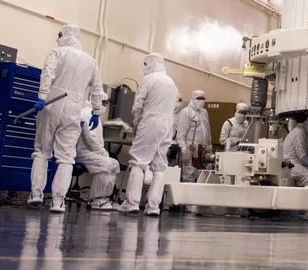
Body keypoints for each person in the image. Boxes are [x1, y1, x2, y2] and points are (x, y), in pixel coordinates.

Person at [30, 24, 104, 213]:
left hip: (51, 104)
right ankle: (58, 202)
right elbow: (97, 88)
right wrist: (96, 111)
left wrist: (41, 96)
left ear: (63, 35)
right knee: (66, 157)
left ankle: (36, 194)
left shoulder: (57, 52)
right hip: (74, 109)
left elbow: (47, 74)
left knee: (42, 151)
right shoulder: (91, 61)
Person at [118, 53, 179, 217]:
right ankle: (153, 206)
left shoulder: (149, 79)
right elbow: (174, 107)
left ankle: (132, 203)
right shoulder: (171, 82)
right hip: (167, 124)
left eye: (145, 64)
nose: (144, 67)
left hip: (150, 121)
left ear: (150, 63)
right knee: (159, 165)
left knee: (138, 162)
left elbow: (138, 105)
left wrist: (136, 124)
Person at [75, 93, 120, 210]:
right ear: (95, 100)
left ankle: (105, 198)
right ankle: (96, 199)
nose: (104, 106)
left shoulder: (95, 115)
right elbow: (89, 139)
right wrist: (102, 153)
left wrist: (102, 153)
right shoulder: (87, 113)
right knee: (107, 164)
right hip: (83, 152)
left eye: (106, 103)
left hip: (92, 152)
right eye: (102, 102)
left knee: (114, 163)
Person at [174, 90, 213, 183]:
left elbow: (207, 130)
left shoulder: (204, 112)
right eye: (198, 98)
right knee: (189, 175)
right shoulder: (186, 112)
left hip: (203, 150)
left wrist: (209, 145)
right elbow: (181, 133)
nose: (201, 101)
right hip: (190, 149)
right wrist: (183, 149)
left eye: (203, 99)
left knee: (203, 176)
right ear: (193, 98)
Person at [283, 114, 308, 187]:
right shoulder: (299, 131)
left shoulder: (302, 131)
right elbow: (302, 156)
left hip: (295, 164)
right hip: (292, 165)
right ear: (307, 122)